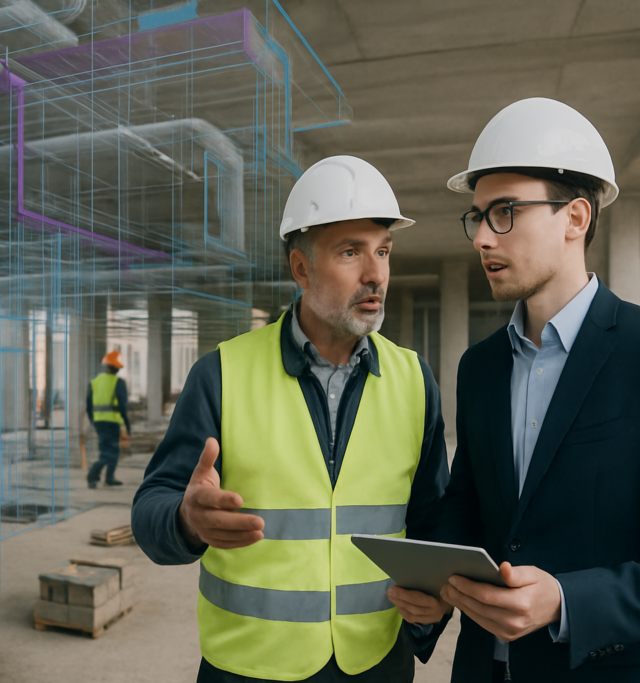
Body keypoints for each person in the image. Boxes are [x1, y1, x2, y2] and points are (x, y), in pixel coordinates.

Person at [388, 97, 640, 682]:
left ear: (576, 218)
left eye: (504, 212)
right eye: (478, 217)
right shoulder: (480, 366)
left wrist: (567, 600)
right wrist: (435, 589)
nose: (482, 236)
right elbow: (468, 505)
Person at [132, 155, 451, 682]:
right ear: (301, 268)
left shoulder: (414, 380)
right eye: (351, 252)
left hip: (375, 665)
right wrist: (187, 520)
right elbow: (151, 511)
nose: (375, 274)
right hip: (248, 668)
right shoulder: (222, 374)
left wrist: (438, 599)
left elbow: (435, 520)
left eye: (383, 252)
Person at [86, 350, 132, 489]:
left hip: (99, 421)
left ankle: (109, 477)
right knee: (110, 452)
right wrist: (127, 425)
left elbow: (88, 405)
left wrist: (93, 420)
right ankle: (93, 475)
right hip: (112, 422)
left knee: (108, 450)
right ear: (117, 368)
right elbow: (123, 406)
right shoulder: (118, 382)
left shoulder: (95, 382)